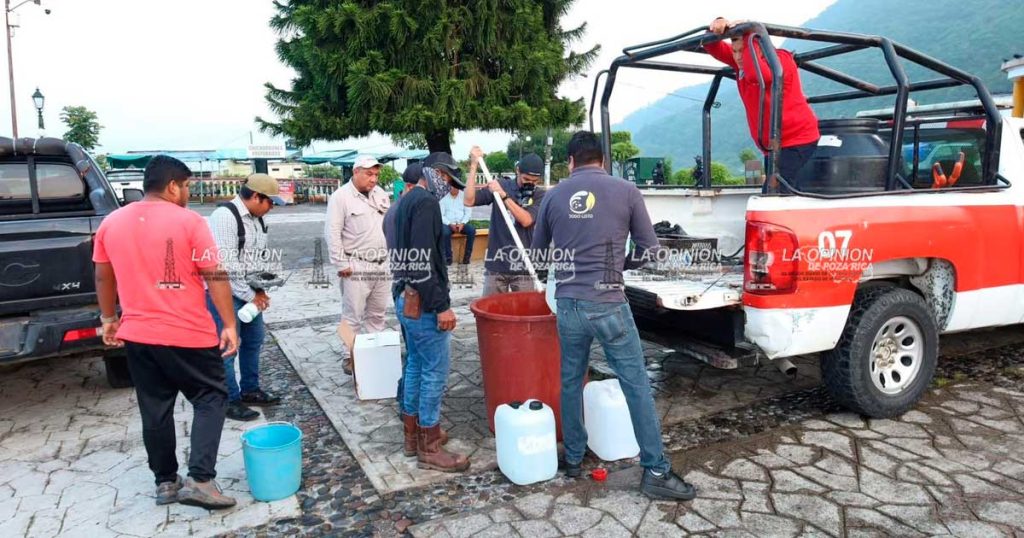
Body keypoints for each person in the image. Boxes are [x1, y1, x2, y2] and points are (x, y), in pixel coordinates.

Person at [531, 131, 697, 501]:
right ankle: (656, 470)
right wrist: (620, 263)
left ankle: (574, 458)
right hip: (608, 303)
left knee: (571, 380)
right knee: (635, 384)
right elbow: (650, 250)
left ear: (570, 161)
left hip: (569, 304)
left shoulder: (553, 196)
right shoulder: (626, 191)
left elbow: (539, 252)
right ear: (602, 160)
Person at [93, 155, 240, 509]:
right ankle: (201, 480)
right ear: (173, 186)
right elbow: (214, 274)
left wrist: (109, 317)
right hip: (188, 333)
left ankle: (165, 482)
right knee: (210, 397)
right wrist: (230, 324)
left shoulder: (111, 223)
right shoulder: (189, 221)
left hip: (139, 336)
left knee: (155, 408)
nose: (188, 192)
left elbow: (102, 275)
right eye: (187, 185)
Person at [393, 153, 468, 472]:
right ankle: (430, 447)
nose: (449, 186)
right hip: (422, 301)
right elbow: (422, 262)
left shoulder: (408, 200)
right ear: (436, 174)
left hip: (407, 296)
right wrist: (441, 307)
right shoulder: (424, 203)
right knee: (434, 373)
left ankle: (415, 437)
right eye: (449, 179)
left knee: (416, 367)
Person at [704, 17, 820, 190]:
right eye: (734, 51)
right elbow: (711, 45)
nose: (737, 57)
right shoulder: (743, 62)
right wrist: (717, 26)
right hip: (772, 145)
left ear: (757, 44)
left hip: (797, 139)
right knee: (780, 191)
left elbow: (760, 76)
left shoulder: (781, 59)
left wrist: (752, 31)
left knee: (774, 193)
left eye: (742, 50)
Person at [205, 173, 285, 422]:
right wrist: (252, 296)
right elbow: (226, 267)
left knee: (254, 340)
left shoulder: (257, 219)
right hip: (224, 293)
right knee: (229, 347)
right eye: (269, 202)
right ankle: (230, 400)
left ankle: (250, 389)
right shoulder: (225, 217)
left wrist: (262, 288)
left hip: (248, 291)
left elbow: (254, 260)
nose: (271, 207)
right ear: (255, 196)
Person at [325, 155, 391, 375]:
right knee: (352, 315)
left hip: (382, 263)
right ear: (356, 172)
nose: (373, 179)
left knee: (378, 313)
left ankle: (376, 351)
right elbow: (332, 232)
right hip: (356, 264)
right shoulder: (340, 197)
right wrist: (340, 263)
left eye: (376, 175)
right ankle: (348, 355)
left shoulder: (381, 194)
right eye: (369, 174)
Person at [463, 149, 545, 295]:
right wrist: (474, 165)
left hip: (524, 267)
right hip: (496, 264)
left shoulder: (540, 194)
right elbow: (469, 201)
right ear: (518, 171)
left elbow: (526, 220)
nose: (530, 184)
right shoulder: (501, 185)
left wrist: (504, 197)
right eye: (526, 179)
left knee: (524, 313)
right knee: (492, 311)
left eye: (534, 181)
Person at [439, 184, 476, 265]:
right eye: (452, 187)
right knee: (445, 232)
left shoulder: (464, 197)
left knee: (471, 230)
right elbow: (441, 215)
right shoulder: (443, 199)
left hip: (461, 223)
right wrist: (450, 224)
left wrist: (462, 223)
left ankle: (467, 258)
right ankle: (448, 258)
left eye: (455, 186)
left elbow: (468, 212)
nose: (453, 188)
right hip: (449, 224)